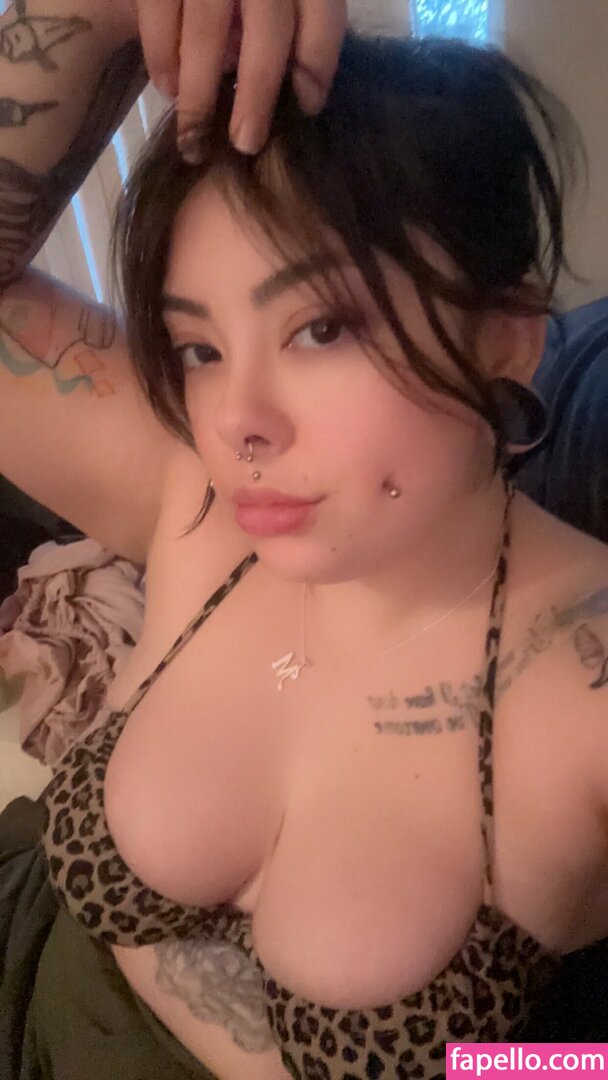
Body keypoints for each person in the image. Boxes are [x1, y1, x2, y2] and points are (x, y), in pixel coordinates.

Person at [0, 2, 607, 1079]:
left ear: (505, 340)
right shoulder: (194, 495)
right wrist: (89, 14)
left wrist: (519, 1071)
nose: (240, 422)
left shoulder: (585, 683)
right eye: (198, 347)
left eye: (319, 330)